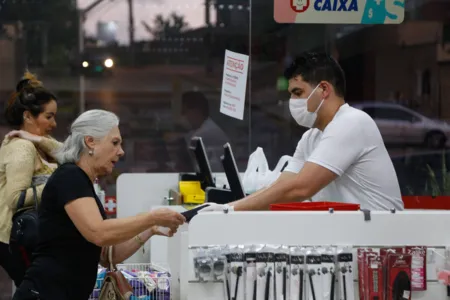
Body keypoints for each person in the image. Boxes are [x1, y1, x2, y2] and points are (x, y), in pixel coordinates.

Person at [12, 109, 186, 300]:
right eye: (114, 142)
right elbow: (99, 233)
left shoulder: (82, 181)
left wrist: (150, 229)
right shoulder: (70, 177)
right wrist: (152, 217)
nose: (121, 151)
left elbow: (108, 255)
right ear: (90, 141)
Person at [204, 52, 404, 211]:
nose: (293, 101)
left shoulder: (352, 122)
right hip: (354, 239)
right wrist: (227, 208)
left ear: (323, 90)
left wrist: (230, 209)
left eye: (298, 93)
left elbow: (300, 188)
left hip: (382, 244)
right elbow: (281, 186)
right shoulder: (311, 137)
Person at [0, 71, 60, 286]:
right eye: (48, 116)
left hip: (33, 237)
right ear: (27, 116)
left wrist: (34, 137)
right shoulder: (22, 149)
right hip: (18, 239)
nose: (54, 124)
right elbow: (14, 198)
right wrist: (56, 186)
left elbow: (70, 156)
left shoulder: (38, 143)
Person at [180, 91, 228, 171]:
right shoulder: (206, 127)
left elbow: (188, 154)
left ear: (196, 111)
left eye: (185, 112)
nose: (184, 117)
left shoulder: (205, 133)